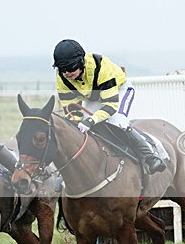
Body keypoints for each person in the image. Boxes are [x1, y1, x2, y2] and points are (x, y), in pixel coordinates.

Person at [52, 39, 166, 174]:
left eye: (71, 68)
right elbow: (71, 107)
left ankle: (150, 154)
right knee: (84, 130)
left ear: (81, 62)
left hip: (120, 91)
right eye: (63, 69)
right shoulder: (62, 77)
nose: (67, 73)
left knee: (117, 123)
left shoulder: (101, 68)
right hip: (94, 96)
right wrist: (76, 122)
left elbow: (111, 106)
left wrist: (90, 120)